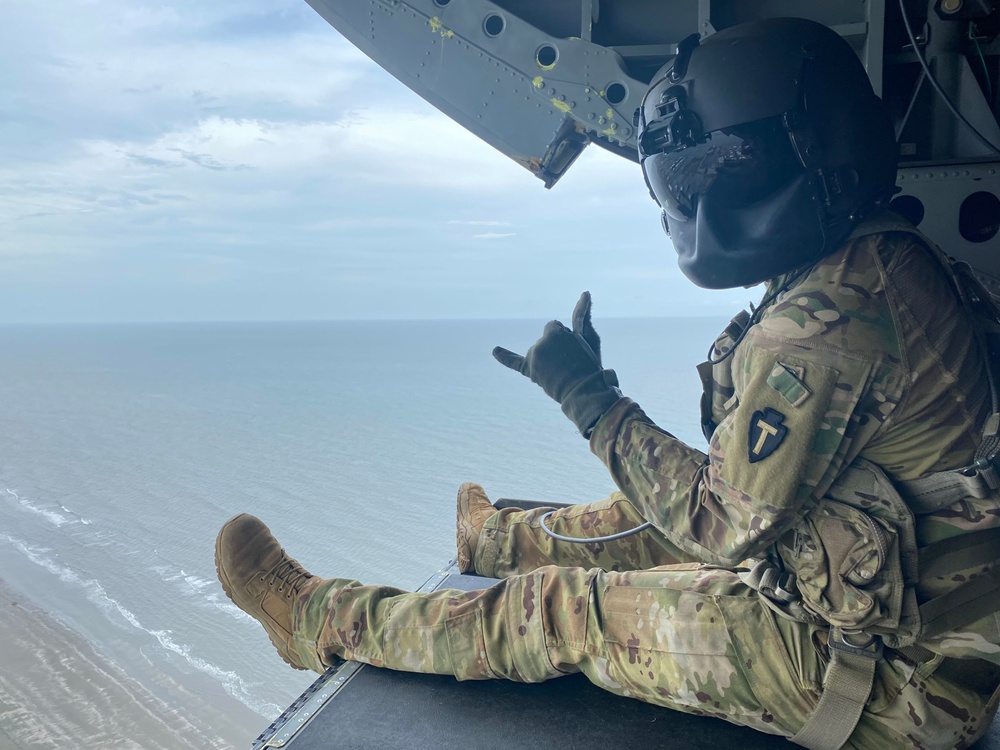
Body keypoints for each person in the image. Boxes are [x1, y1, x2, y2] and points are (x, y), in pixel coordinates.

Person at [215, 17, 1000, 749]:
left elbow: (716, 522)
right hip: (908, 599)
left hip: (893, 681)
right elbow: (740, 492)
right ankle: (495, 540)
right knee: (642, 518)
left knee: (564, 612)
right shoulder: (884, 259)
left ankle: (317, 618)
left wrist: (587, 398)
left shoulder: (829, 323)